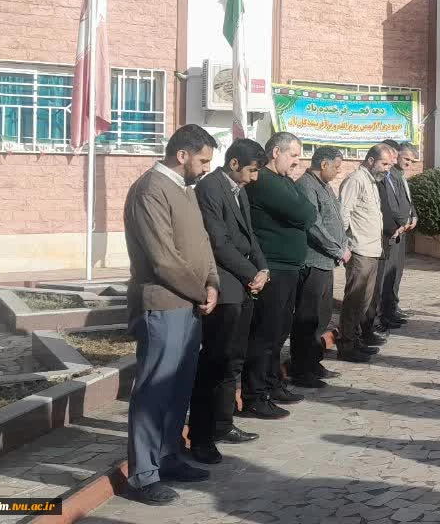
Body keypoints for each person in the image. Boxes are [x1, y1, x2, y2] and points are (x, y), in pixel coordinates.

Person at [120, 124, 219, 505]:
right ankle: (143, 476)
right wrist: (200, 290)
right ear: (182, 155)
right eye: (203, 160)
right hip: (162, 304)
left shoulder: (185, 189)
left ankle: (168, 455)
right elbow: (163, 259)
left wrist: (212, 281)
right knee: (154, 389)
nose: (206, 168)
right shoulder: (150, 190)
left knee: (179, 387)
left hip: (189, 305)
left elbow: (202, 244)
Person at [189, 138, 268, 465]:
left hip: (244, 285)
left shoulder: (240, 190)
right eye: (251, 170)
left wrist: (262, 268)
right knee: (215, 362)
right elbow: (218, 243)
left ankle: (223, 424)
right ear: (234, 163)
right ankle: (202, 435)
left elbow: (250, 235)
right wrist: (251, 273)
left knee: (233, 360)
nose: (254, 178)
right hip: (224, 285)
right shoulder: (210, 188)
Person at [243, 132, 317, 418]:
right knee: (266, 334)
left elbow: (307, 210)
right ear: (276, 152)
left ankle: (273, 383)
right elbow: (305, 214)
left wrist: (301, 203)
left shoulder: (284, 180)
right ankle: (255, 394)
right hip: (273, 269)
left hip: (289, 268)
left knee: (280, 332)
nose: (297, 162)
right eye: (293, 155)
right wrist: (303, 208)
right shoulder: (264, 181)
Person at [292, 146, 350, 388]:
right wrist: (337, 249)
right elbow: (314, 226)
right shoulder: (306, 186)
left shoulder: (324, 186)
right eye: (336, 166)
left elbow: (335, 219)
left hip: (326, 262)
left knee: (322, 316)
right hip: (313, 261)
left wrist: (343, 244)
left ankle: (313, 362)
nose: (338, 171)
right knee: (307, 317)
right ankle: (301, 369)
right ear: (324, 165)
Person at [337, 143, 396, 362]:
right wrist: (343, 246)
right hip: (359, 250)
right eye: (384, 164)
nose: (387, 169)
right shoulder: (356, 180)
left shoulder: (371, 181)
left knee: (364, 301)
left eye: (389, 165)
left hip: (372, 250)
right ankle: (346, 346)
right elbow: (343, 214)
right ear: (370, 160)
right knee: (354, 301)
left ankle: (356, 341)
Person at [372, 142, 419, 334]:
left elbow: (406, 200)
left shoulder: (399, 175)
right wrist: (399, 223)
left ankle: (391, 310)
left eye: (412, 161)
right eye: (406, 159)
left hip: (402, 230)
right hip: (392, 231)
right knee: (386, 276)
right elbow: (390, 204)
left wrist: (413, 216)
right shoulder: (387, 176)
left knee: (395, 274)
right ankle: (383, 314)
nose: (409, 163)